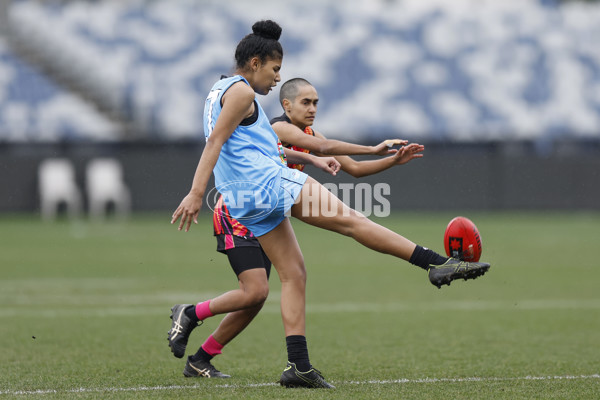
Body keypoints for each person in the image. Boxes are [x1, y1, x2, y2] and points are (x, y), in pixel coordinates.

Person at [169, 20, 490, 389]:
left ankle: (298, 366)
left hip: (245, 200)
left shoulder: (217, 91)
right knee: (354, 222)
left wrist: (314, 159)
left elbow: (249, 145)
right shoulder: (242, 92)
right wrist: (196, 192)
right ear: (255, 63)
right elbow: (218, 144)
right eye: (275, 70)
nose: (276, 80)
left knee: (294, 274)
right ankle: (435, 263)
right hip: (268, 185)